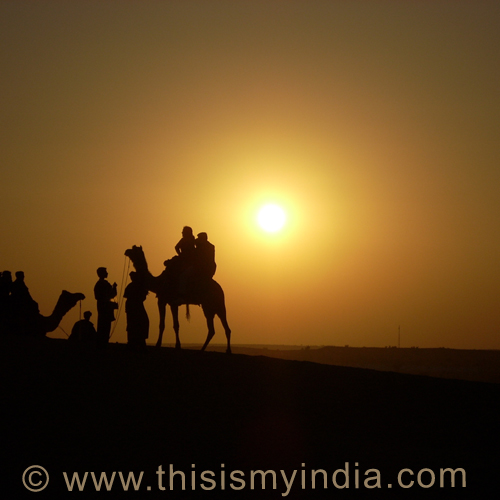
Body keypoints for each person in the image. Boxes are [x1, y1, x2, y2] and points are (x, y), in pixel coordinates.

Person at [123, 271, 149, 349]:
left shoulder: (132, 286)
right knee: (138, 323)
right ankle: (137, 342)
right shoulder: (136, 286)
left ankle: (136, 341)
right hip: (135, 307)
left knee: (137, 323)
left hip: (133, 307)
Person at [94, 267, 118, 346]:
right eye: (105, 272)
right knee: (104, 325)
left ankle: (102, 342)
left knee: (104, 324)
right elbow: (111, 295)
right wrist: (114, 288)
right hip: (105, 307)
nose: (107, 273)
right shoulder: (102, 284)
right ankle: (103, 342)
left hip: (104, 306)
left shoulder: (101, 284)